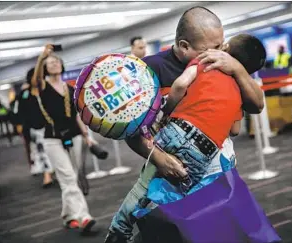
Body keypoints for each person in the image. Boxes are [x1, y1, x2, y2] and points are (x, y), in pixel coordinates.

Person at [105, 6, 264, 243]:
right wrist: (160, 159)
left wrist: (237, 69)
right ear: (184, 46)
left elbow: (257, 104)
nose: (221, 52)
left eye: (222, 45)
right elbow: (130, 129)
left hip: (216, 172)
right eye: (212, 48)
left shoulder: (225, 64)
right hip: (168, 172)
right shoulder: (150, 70)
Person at [153, 34, 266, 192]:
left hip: (173, 131)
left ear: (225, 47)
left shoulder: (203, 61)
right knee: (189, 192)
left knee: (154, 185)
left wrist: (167, 112)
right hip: (209, 150)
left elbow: (180, 84)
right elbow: (235, 130)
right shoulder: (237, 87)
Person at [31, 45, 96, 232]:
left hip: (74, 135)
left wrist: (87, 136)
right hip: (52, 138)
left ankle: (68, 216)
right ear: (45, 68)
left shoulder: (69, 88)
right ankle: (84, 217)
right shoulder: (42, 85)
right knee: (67, 177)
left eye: (56, 61)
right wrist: (41, 57)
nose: (54, 64)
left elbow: (76, 115)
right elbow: (35, 79)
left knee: (72, 178)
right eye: (49, 63)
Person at [16, 67, 54, 185]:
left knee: (52, 150)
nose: (36, 79)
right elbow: (20, 111)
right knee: (41, 151)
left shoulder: (47, 91)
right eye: (34, 76)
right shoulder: (24, 94)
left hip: (50, 127)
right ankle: (47, 175)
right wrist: (21, 126)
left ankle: (52, 171)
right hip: (33, 129)